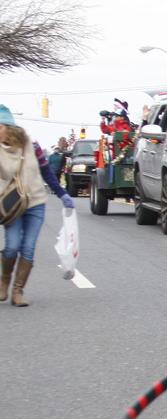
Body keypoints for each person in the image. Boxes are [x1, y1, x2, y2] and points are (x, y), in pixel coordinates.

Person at [0, 105, 75, 307]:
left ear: (9, 127)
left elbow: (47, 173)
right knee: (12, 246)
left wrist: (62, 194)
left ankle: (18, 291)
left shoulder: (32, 146)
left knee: (28, 247)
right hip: (12, 205)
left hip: (35, 203)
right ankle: (4, 280)